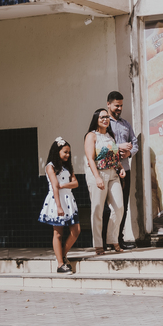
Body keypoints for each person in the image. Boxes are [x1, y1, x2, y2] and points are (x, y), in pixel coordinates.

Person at [84, 108, 125, 256]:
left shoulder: (110, 136)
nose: (105, 119)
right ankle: (98, 244)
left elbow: (113, 156)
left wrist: (120, 168)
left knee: (119, 207)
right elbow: (90, 159)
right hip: (98, 173)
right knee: (97, 209)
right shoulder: (91, 136)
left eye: (107, 117)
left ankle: (112, 239)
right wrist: (97, 177)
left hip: (113, 174)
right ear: (96, 119)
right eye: (102, 117)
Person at [39, 137, 80, 273]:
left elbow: (75, 183)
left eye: (69, 152)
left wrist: (63, 185)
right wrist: (58, 206)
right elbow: (54, 187)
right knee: (58, 233)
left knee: (76, 230)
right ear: (57, 152)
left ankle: (62, 254)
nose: (68, 155)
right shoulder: (50, 167)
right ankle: (60, 264)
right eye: (65, 152)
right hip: (57, 200)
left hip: (68, 200)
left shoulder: (68, 166)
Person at [105, 91, 138, 250]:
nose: (119, 108)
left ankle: (119, 239)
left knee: (123, 205)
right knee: (109, 207)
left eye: (121, 106)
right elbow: (100, 146)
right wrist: (119, 147)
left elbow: (135, 144)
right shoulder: (104, 123)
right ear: (108, 104)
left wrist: (129, 153)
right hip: (109, 170)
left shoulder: (126, 124)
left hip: (125, 169)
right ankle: (106, 241)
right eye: (116, 105)